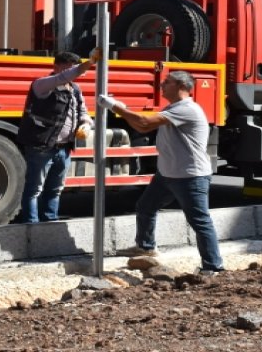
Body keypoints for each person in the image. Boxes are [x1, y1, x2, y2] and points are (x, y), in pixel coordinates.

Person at [98, 70, 225, 274]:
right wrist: (122, 110)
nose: (162, 85)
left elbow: (145, 122)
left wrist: (116, 107)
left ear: (182, 87)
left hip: (190, 176)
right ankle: (146, 248)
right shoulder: (173, 108)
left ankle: (214, 267)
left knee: (200, 221)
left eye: (167, 82)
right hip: (168, 174)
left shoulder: (187, 109)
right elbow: (143, 128)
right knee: (146, 206)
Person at [15, 51, 95, 223]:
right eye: (67, 69)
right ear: (56, 67)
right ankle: (31, 226)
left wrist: (86, 124)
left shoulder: (74, 89)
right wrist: (85, 65)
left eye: (73, 69)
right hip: (42, 147)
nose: (71, 74)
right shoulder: (42, 84)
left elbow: (82, 111)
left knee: (55, 189)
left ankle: (50, 223)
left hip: (64, 148)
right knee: (34, 189)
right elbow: (62, 78)